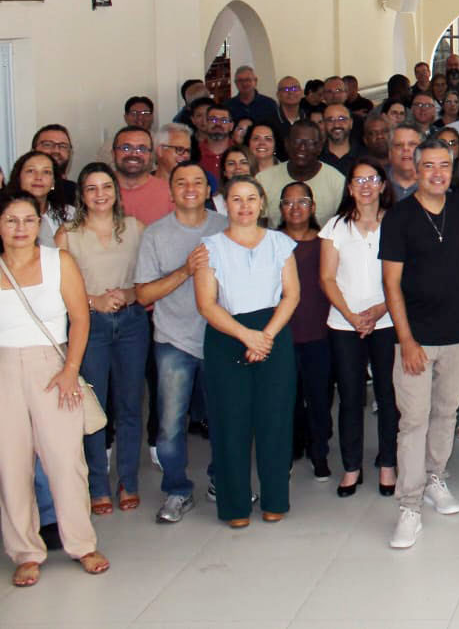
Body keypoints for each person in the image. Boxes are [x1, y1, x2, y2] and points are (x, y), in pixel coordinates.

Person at [0, 191, 109, 586]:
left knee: (66, 463)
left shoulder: (58, 260)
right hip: (4, 370)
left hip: (54, 367)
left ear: (38, 222)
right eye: (11, 220)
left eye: (28, 220)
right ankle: (26, 552)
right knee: (11, 467)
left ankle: (82, 544)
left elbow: (80, 319)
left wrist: (70, 369)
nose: (20, 228)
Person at [380, 139, 459, 548]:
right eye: (429, 166)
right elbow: (391, 282)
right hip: (416, 337)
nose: (437, 173)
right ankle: (409, 506)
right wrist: (406, 339)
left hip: (458, 333)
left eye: (444, 166)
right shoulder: (399, 217)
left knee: (445, 413)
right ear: (415, 169)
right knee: (413, 421)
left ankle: (436, 477)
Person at [194, 176, 300, 527]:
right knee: (230, 423)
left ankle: (275, 499)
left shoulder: (280, 243)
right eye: (236, 199)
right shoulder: (209, 247)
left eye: (251, 198)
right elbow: (207, 304)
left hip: (274, 334)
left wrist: (265, 336)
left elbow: (291, 295)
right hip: (227, 336)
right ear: (225, 204)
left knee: (275, 420)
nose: (244, 206)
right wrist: (246, 336)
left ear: (261, 202)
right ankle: (234, 505)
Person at [134, 162, 226, 523]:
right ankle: (176, 490)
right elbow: (143, 294)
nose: (190, 188)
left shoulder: (224, 228)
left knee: (225, 418)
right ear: (170, 192)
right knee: (171, 424)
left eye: (198, 182)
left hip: (220, 338)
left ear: (208, 191)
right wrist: (186, 270)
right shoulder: (155, 235)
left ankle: (223, 480)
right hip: (174, 340)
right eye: (181, 183)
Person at [55, 163, 149, 514]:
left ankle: (128, 480)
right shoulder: (68, 235)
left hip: (131, 324)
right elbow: (59, 286)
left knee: (128, 405)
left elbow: (145, 281)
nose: (100, 194)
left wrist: (126, 294)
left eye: (106, 187)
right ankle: (98, 485)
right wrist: (93, 300)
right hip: (88, 326)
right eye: (92, 188)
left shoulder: (136, 229)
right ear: (82, 194)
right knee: (94, 406)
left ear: (116, 191)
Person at [318, 160, 398, 497]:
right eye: (358, 180)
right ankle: (351, 466)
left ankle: (388, 463)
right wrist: (352, 316)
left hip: (389, 320)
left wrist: (380, 309)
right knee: (350, 397)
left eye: (372, 179)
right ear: (349, 188)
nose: (365, 186)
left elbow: (404, 276)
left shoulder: (396, 223)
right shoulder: (335, 227)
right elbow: (326, 277)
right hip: (344, 323)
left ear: (382, 185)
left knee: (389, 395)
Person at [279, 182, 333, 486]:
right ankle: (287, 450)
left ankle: (320, 452)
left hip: (320, 332)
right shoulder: (272, 242)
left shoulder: (325, 240)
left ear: (312, 207)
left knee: (319, 397)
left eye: (302, 201)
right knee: (286, 397)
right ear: (280, 208)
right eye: (289, 202)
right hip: (282, 332)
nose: (296, 208)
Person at [257, 122, 346, 227]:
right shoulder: (264, 180)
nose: (302, 147)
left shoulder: (337, 182)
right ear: (287, 144)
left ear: (319, 147)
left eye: (310, 142)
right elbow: (258, 226)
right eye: (297, 141)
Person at [5, 152, 73, 243]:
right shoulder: (4, 213)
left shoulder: (71, 214)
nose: (38, 177)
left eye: (46, 172)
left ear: (53, 182)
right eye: (31, 171)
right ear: (18, 178)